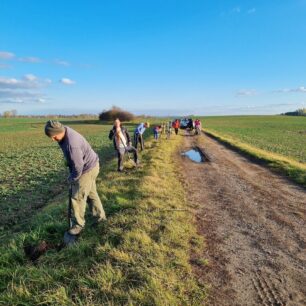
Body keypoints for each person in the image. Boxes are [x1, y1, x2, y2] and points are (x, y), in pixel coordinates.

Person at [44, 120, 106, 236]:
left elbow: (78, 166)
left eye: (53, 136)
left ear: (59, 132)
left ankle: (78, 225)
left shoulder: (72, 144)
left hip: (86, 170)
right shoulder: (64, 131)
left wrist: (72, 178)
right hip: (92, 165)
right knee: (91, 194)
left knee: (77, 197)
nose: (52, 139)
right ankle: (100, 218)